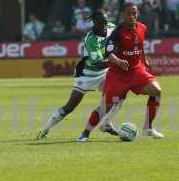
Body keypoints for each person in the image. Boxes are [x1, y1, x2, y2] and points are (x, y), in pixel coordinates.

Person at [77, 2, 163, 141]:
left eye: (134, 13)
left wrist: (144, 59)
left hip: (136, 71)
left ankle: (148, 128)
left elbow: (140, 46)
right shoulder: (117, 33)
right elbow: (109, 53)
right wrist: (118, 62)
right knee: (106, 106)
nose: (132, 16)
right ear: (124, 15)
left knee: (157, 91)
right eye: (129, 13)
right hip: (118, 74)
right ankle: (85, 134)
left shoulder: (142, 28)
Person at [37, 10, 120, 140]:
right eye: (100, 23)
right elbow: (98, 64)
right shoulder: (91, 39)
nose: (103, 25)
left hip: (104, 73)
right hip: (88, 74)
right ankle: (45, 129)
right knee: (70, 106)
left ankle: (106, 124)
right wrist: (118, 62)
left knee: (117, 96)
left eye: (105, 22)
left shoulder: (111, 27)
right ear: (94, 23)